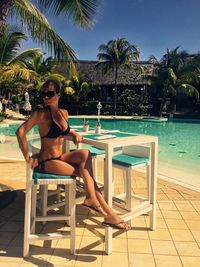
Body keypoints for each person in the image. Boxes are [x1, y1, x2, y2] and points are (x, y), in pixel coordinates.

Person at [16, 79, 130, 230]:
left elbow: (63, 131)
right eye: (43, 94)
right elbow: (20, 132)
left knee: (85, 153)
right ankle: (107, 212)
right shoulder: (40, 114)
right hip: (48, 161)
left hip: (60, 157)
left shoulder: (64, 113)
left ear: (58, 94)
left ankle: (94, 202)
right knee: (86, 174)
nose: (46, 97)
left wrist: (74, 133)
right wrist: (27, 157)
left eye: (50, 93)